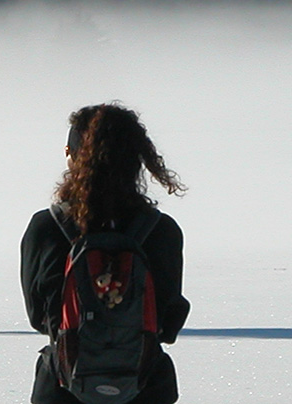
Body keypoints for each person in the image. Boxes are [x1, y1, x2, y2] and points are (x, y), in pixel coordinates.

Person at [23, 103, 189, 404]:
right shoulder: (162, 230)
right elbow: (169, 323)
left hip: (63, 388)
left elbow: (39, 316)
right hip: (145, 386)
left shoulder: (46, 227)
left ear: (72, 156)